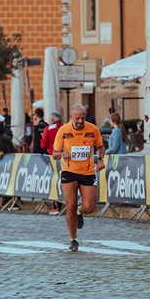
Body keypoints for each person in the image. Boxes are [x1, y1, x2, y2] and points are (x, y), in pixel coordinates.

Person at [52, 104, 105, 252]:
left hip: (87, 172)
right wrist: (62, 154)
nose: (80, 121)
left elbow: (100, 146)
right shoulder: (63, 130)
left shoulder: (92, 129)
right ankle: (73, 239)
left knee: (89, 207)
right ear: (71, 117)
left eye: (83, 118)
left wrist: (100, 159)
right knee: (70, 206)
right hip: (69, 171)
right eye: (77, 118)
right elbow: (54, 153)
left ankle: (80, 213)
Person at [40, 111, 64, 215]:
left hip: (53, 157)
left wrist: (42, 137)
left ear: (53, 120)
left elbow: (43, 145)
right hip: (65, 157)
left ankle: (56, 206)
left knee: (54, 181)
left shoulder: (48, 129)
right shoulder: (65, 126)